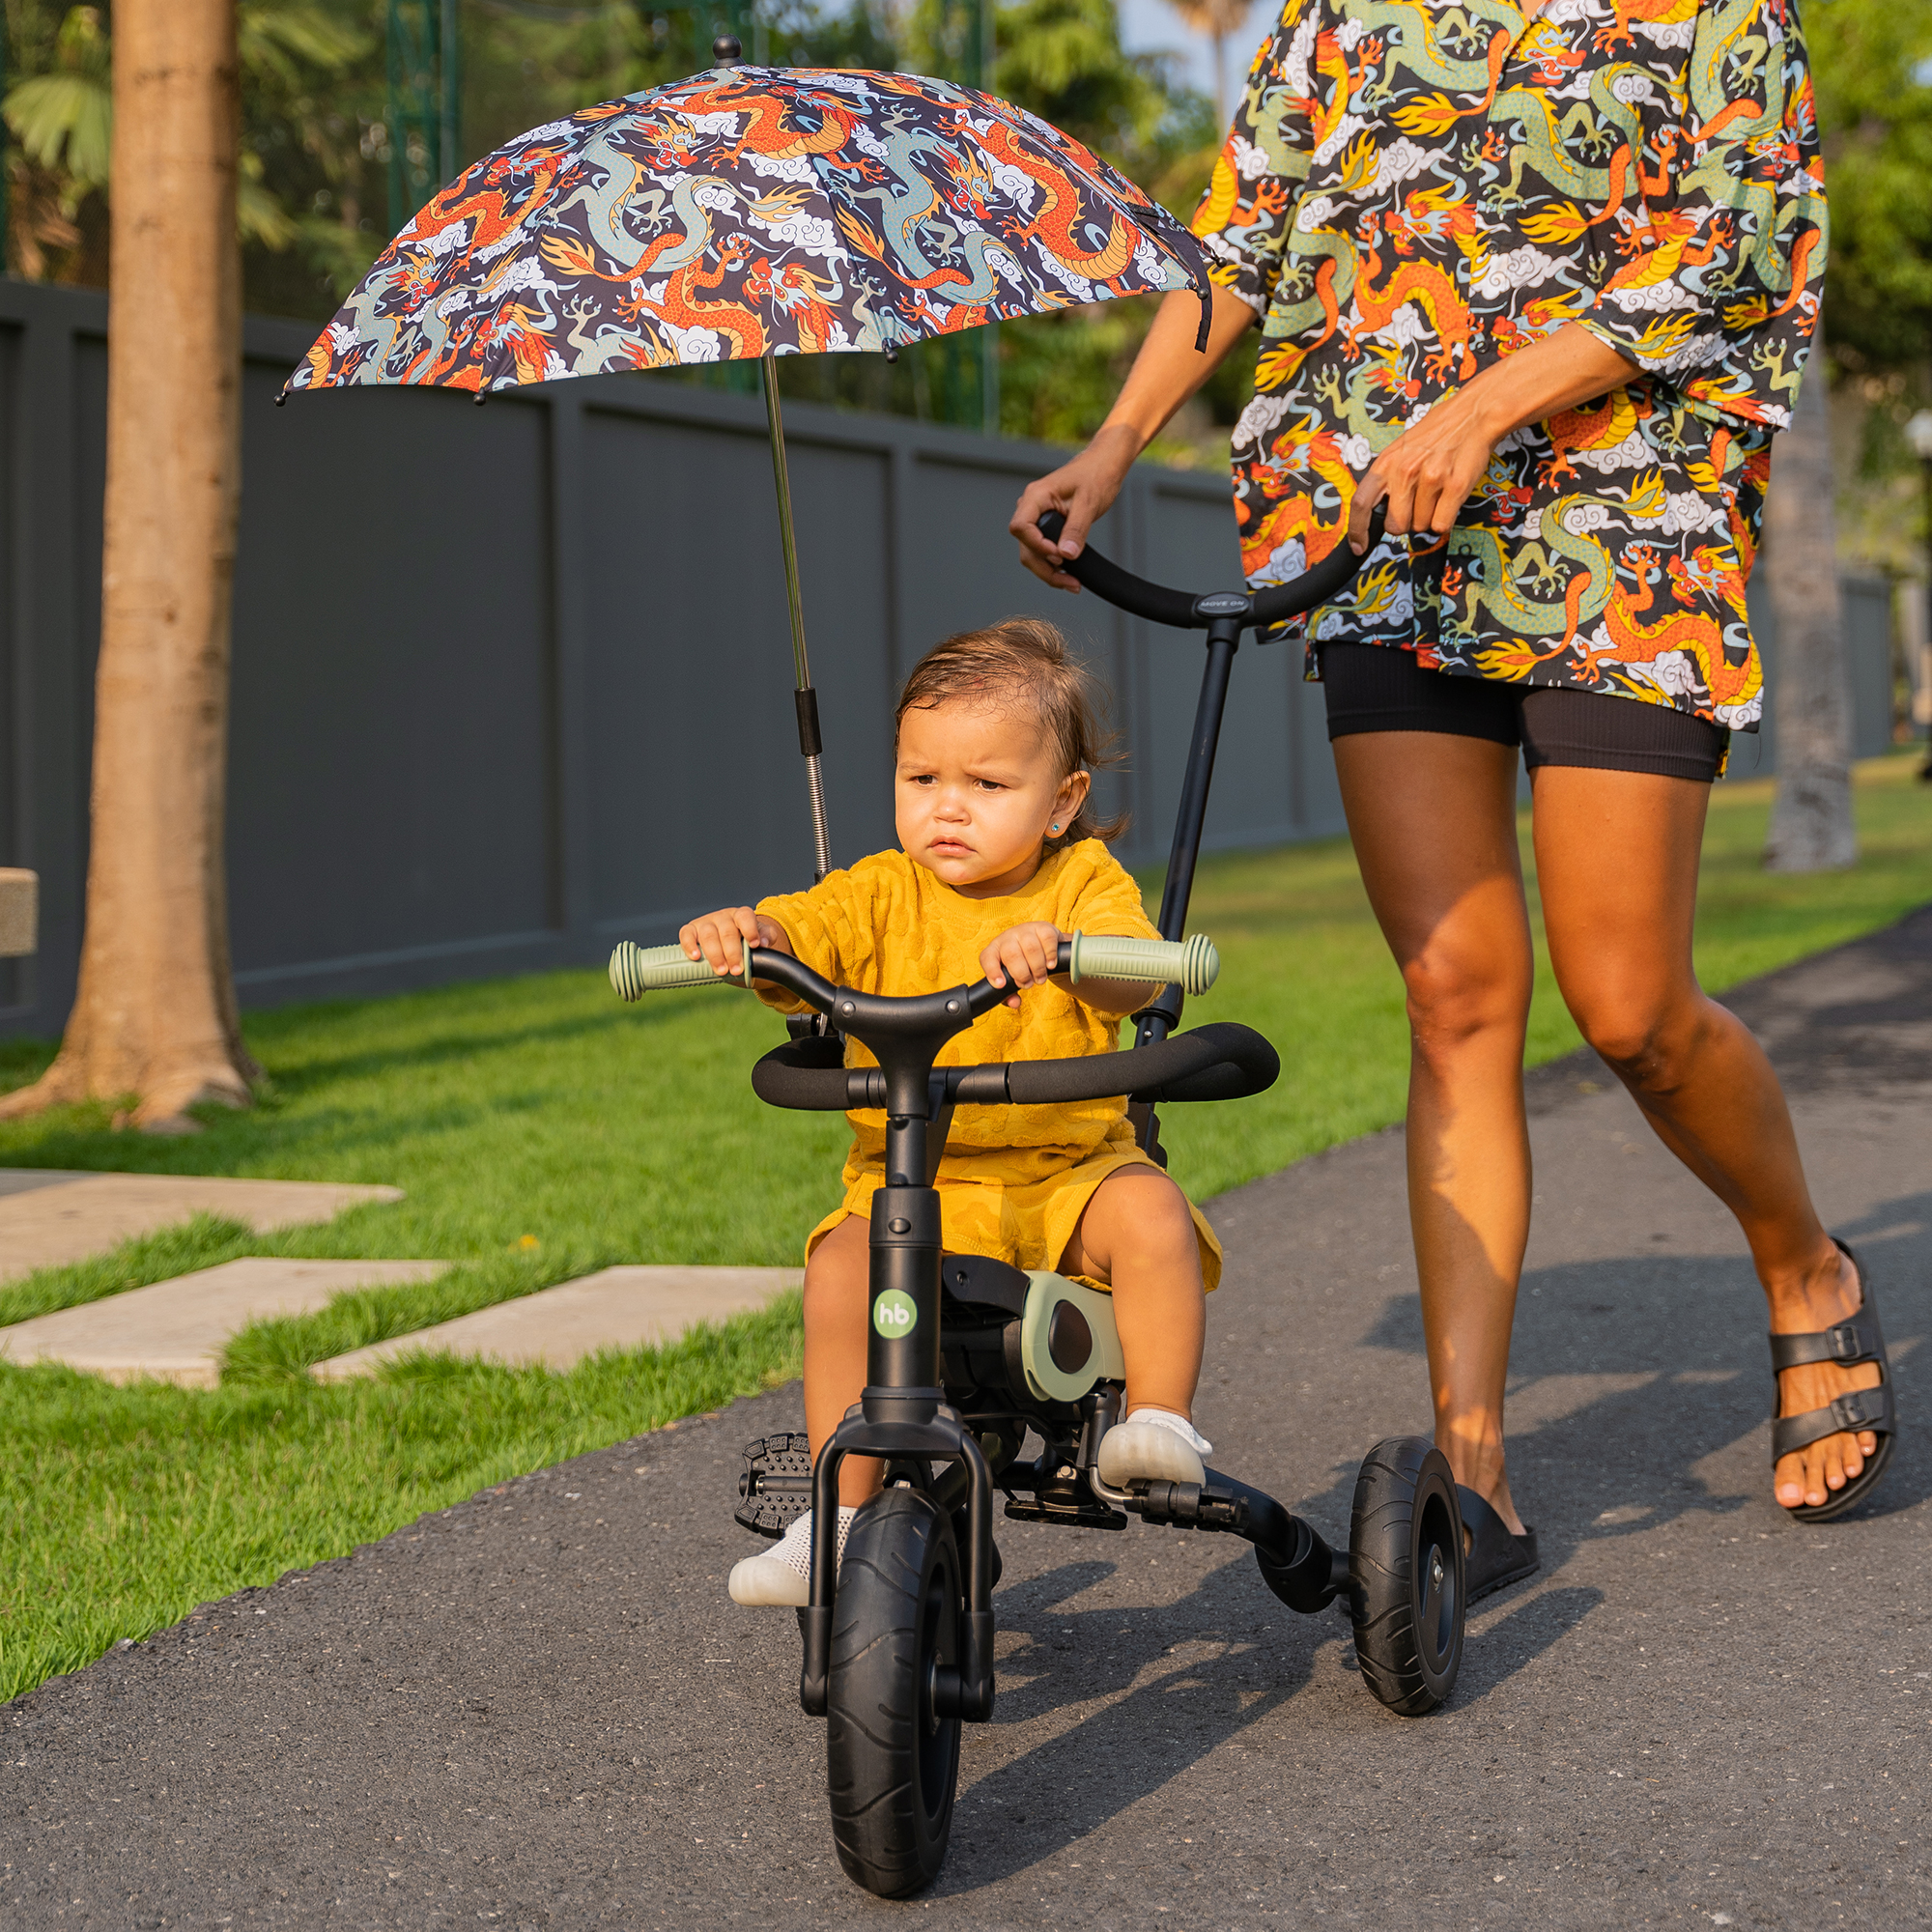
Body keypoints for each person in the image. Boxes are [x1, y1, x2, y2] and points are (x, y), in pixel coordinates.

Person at [1011, 0, 1894, 1586]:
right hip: (1379, 535)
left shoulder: (1709, 12)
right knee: (1454, 998)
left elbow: (1740, 252)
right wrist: (1113, 440)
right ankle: (1469, 1471)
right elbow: (1245, 237)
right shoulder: (1332, 19)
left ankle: (1803, 1261)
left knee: (1630, 1006)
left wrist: (1486, 406)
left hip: (1620, 528)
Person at [681, 621, 1225, 1607]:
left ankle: (1159, 1417)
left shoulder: (1079, 884)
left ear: (1062, 801)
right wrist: (751, 933)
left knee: (1150, 1211)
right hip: (918, 1185)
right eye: (920, 778)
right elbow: (805, 933)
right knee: (837, 1266)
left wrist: (1062, 949)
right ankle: (837, 1519)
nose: (947, 809)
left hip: (1066, 1174)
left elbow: (1125, 970)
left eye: (985, 785)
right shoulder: (881, 889)